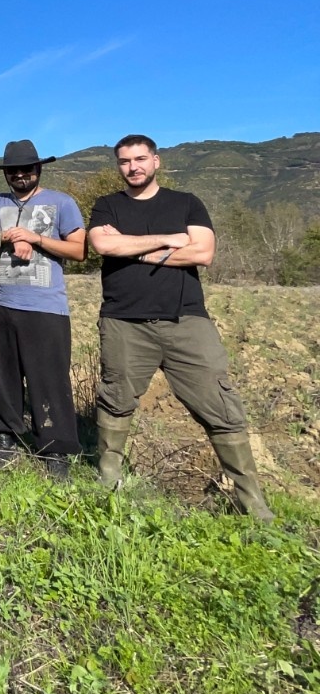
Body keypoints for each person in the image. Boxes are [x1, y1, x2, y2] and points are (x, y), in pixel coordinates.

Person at [87, 135, 272, 519]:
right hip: (124, 321)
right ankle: (109, 486)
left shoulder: (186, 202)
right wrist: (170, 241)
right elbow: (104, 246)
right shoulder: (107, 205)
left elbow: (203, 252)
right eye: (124, 161)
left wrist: (135, 250)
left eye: (140, 159)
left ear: (156, 161)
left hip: (186, 320)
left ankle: (253, 505)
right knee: (116, 400)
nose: (133, 167)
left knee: (220, 406)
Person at [0, 139, 86, 475]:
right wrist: (9, 236)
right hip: (3, 303)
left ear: (38, 169)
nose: (20, 175)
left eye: (26, 169)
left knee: (48, 378)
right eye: (13, 171)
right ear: (5, 174)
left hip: (46, 306)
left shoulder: (62, 203)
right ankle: (4, 438)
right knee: (2, 375)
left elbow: (78, 250)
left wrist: (36, 239)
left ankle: (55, 449)